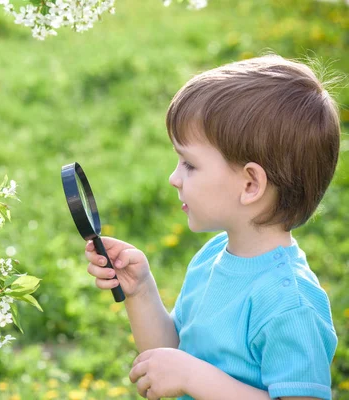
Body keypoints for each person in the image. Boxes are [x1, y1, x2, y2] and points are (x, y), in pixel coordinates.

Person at [85, 54, 340, 400]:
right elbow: (174, 354)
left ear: (250, 185)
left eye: (189, 164)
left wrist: (195, 378)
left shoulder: (289, 303)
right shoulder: (214, 256)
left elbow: (188, 372)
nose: (174, 178)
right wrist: (140, 290)